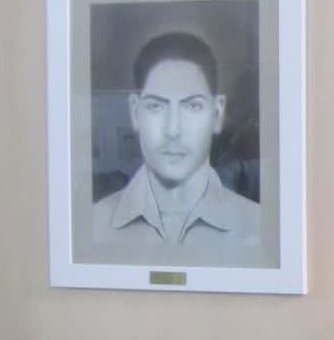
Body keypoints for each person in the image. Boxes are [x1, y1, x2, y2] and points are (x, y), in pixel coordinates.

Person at [93, 31, 260, 250]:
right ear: (135, 112)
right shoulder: (91, 226)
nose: (173, 130)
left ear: (217, 114)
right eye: (155, 106)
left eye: (193, 106)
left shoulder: (259, 227)